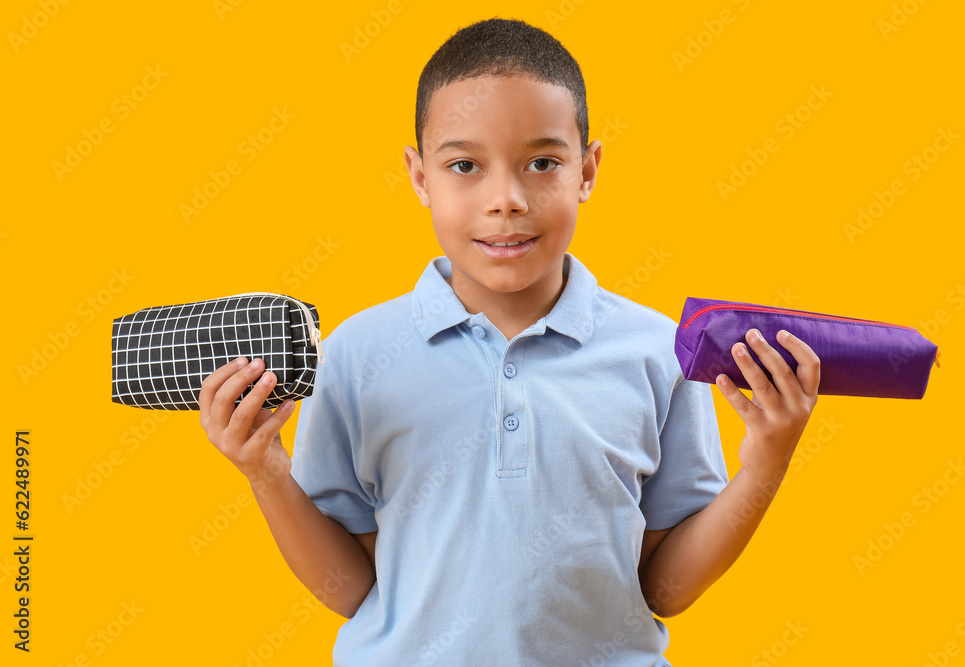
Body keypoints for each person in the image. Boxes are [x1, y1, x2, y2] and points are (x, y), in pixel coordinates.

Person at [198, 16, 821, 666]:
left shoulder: (657, 351)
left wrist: (767, 462)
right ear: (419, 177)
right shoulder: (356, 354)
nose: (506, 199)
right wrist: (263, 468)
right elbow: (352, 588)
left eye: (542, 163)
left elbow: (664, 588)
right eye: (465, 165)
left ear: (588, 169)